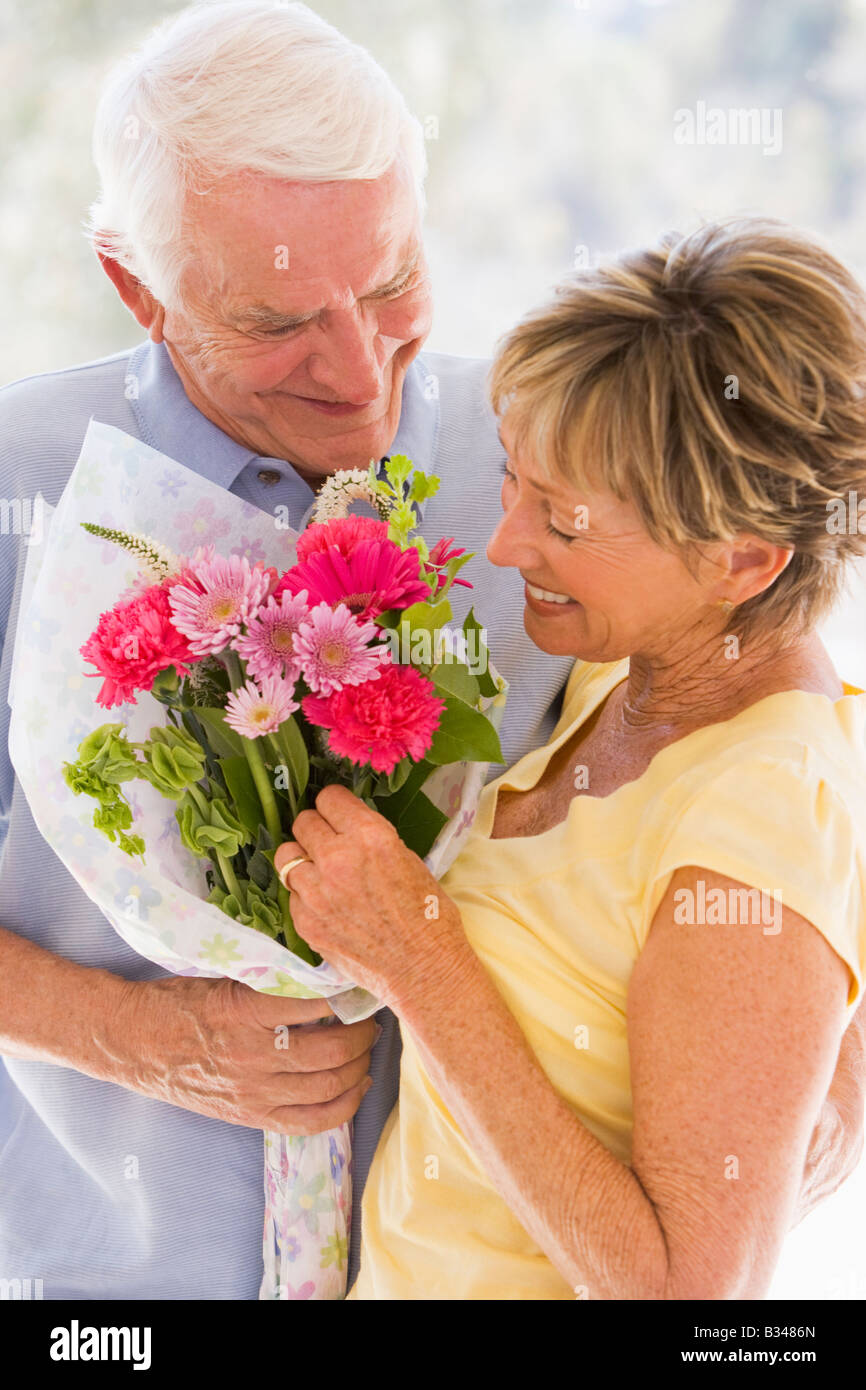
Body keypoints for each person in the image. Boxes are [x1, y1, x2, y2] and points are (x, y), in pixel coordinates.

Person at [275, 217, 866, 1299]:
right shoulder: (635, 668)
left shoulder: (755, 808)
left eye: (565, 519)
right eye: (513, 481)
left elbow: (688, 1301)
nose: (506, 546)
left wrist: (421, 962)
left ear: (739, 558)